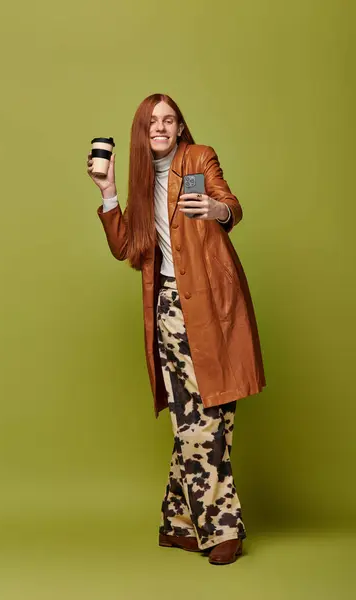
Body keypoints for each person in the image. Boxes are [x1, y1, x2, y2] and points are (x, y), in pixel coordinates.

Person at [87, 93, 266, 565]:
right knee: (199, 420)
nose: (161, 127)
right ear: (141, 132)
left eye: (169, 120)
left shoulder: (199, 157)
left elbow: (231, 204)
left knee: (213, 417)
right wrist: (107, 190)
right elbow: (128, 249)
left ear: (181, 126)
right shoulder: (142, 181)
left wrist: (214, 210)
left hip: (216, 307)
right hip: (169, 309)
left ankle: (177, 522)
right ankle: (221, 528)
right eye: (152, 122)